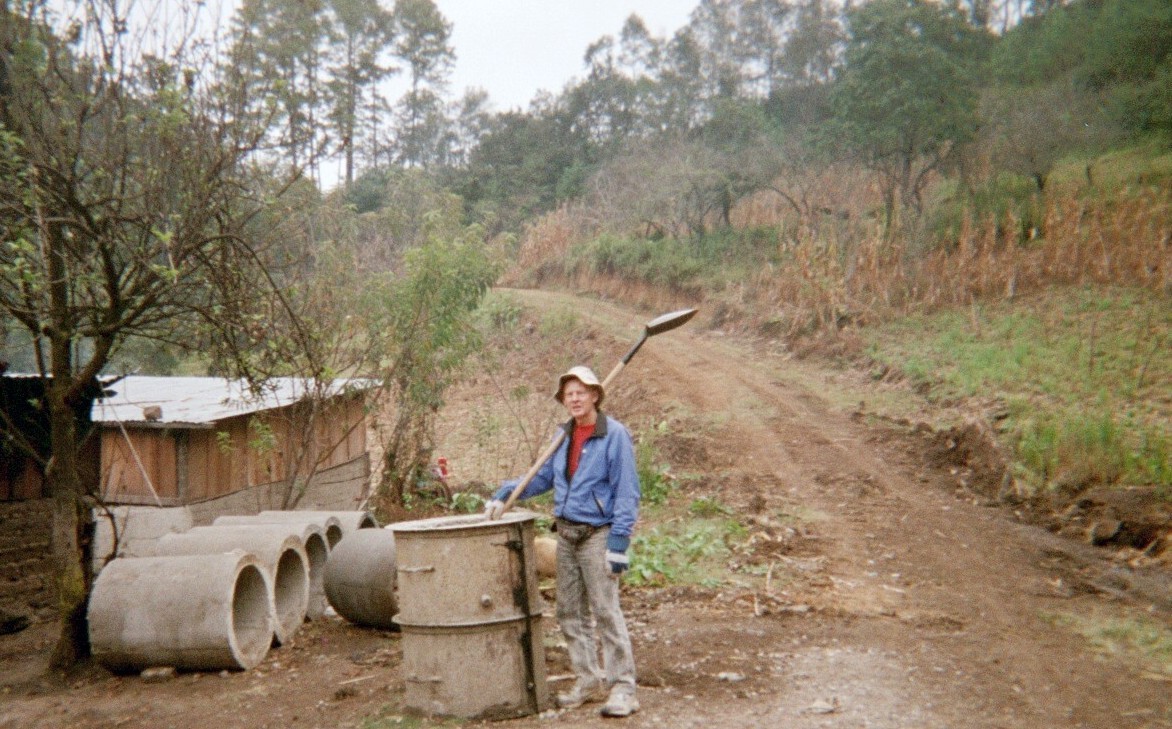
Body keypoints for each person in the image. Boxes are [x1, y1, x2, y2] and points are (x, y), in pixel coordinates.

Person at [485, 365, 641, 718]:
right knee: (570, 612)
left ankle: (623, 688)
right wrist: (505, 492)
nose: (574, 398)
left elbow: (627, 492)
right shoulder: (563, 436)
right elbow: (541, 476)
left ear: (595, 395)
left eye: (580, 392)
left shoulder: (614, 435)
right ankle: (587, 680)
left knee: (605, 610)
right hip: (567, 534)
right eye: (568, 394)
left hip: (597, 534)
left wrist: (618, 542)